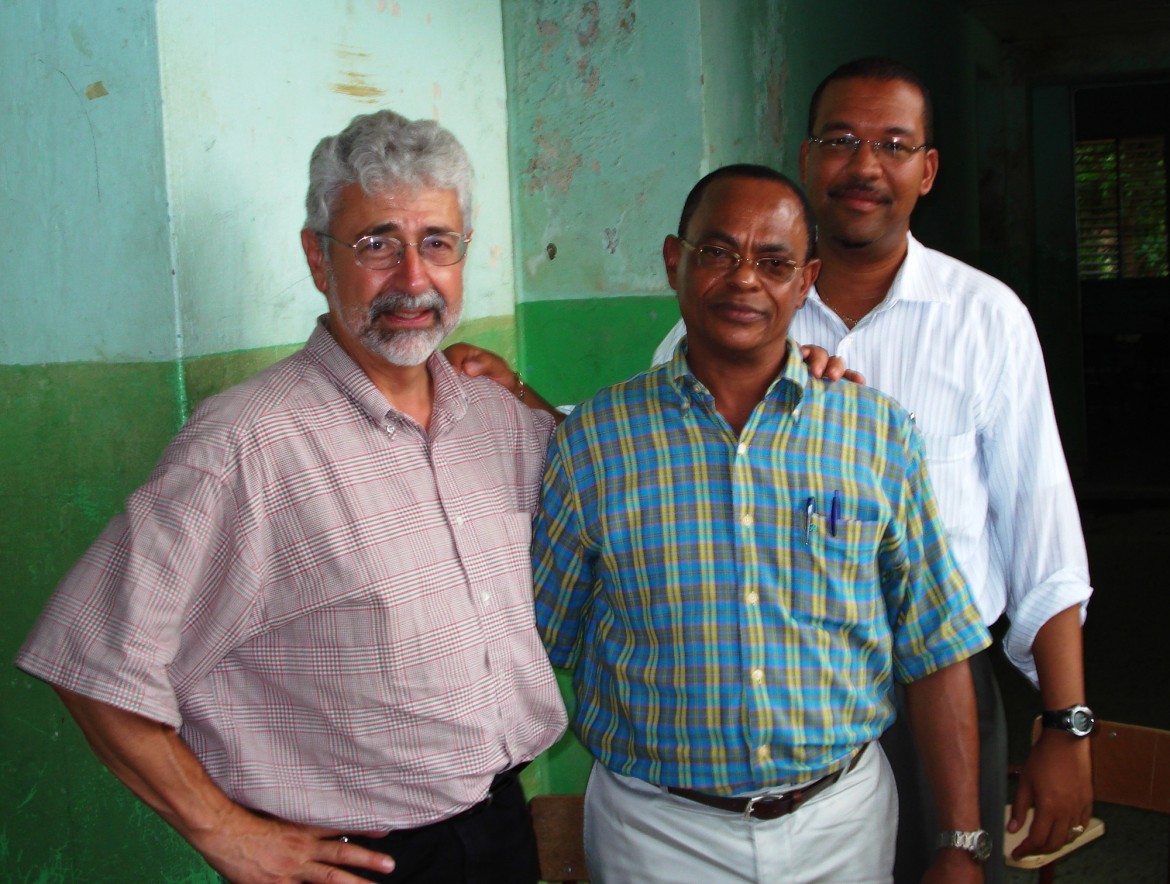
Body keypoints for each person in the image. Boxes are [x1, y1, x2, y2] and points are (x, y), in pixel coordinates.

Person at [15, 110, 567, 884]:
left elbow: (605, 494)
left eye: (436, 243)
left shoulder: (497, 421)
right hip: (356, 862)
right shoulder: (245, 444)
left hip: (500, 832)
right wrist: (225, 834)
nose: (413, 278)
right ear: (318, 257)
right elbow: (92, 657)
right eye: (376, 243)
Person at [652, 58, 1095, 881]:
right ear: (807, 156)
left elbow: (1043, 532)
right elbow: (667, 480)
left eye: (894, 145)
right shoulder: (721, 322)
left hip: (943, 688)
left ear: (927, 171)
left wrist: (1065, 725)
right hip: (780, 696)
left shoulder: (986, 320)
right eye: (841, 140)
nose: (864, 166)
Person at [532, 164, 992, 883]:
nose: (744, 279)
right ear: (674, 262)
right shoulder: (593, 443)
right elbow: (542, 635)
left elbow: (937, 644)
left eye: (774, 262)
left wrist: (961, 841)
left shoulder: (876, 435)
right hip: (655, 832)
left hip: (841, 821)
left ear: (805, 281)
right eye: (718, 252)